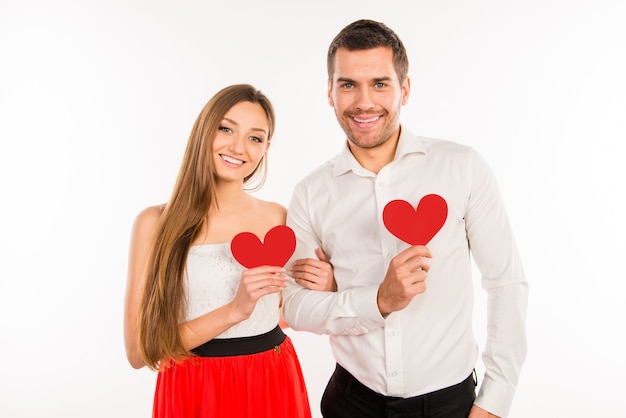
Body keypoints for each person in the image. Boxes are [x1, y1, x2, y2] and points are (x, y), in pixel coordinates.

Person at [284, 19, 528, 418]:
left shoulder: (462, 167)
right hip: (350, 401)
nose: (364, 102)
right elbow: (294, 307)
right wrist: (376, 301)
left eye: (380, 83)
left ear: (405, 89)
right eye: (348, 84)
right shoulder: (311, 192)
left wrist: (495, 400)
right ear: (330, 93)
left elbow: (506, 283)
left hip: (451, 404)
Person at [123, 84, 332, 417]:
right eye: (226, 129)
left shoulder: (278, 217)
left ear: (265, 147)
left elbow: (284, 309)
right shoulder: (155, 223)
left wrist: (323, 286)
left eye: (255, 137)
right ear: (204, 131)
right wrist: (236, 309)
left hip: (271, 377)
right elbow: (140, 351)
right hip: (194, 386)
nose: (239, 147)